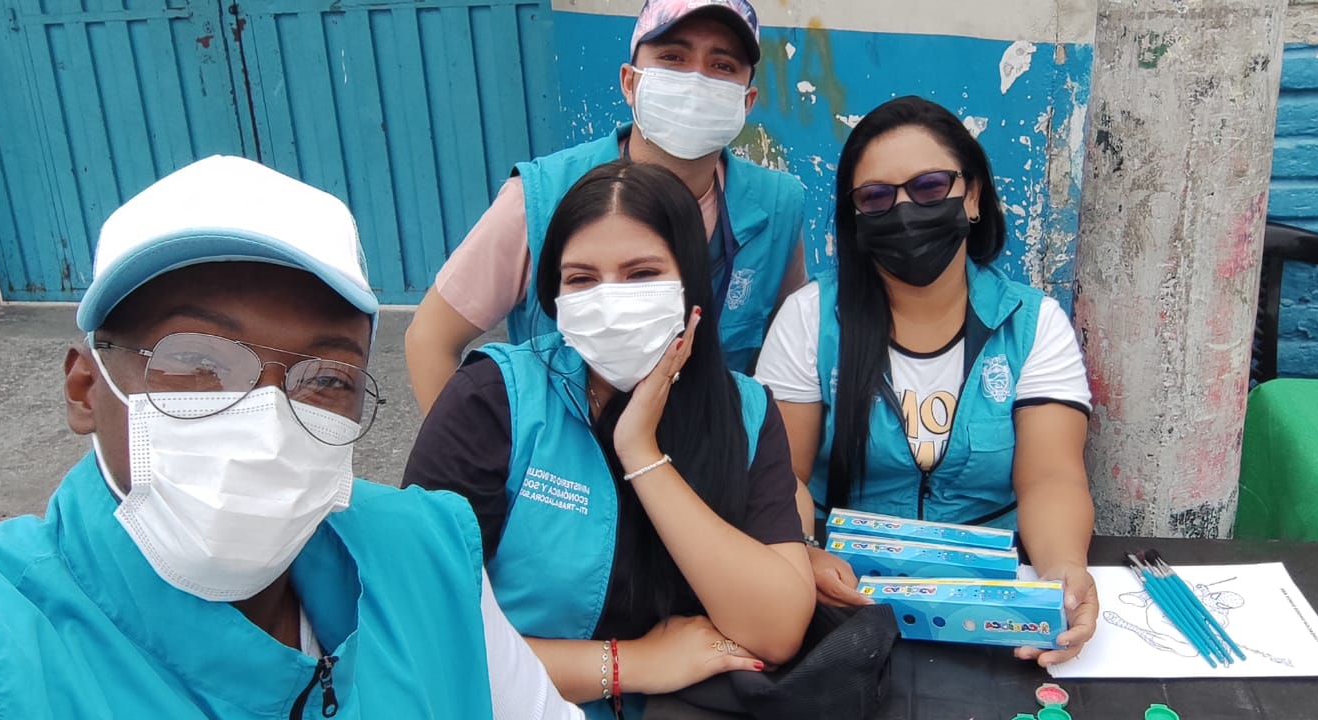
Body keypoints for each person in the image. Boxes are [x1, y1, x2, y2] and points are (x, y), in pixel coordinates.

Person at [0, 156, 583, 719]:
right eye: (197, 361)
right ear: (86, 388)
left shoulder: (426, 556)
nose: (266, 420)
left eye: (324, 377)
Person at [403, 160, 816, 719]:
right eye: (581, 280)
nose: (611, 300)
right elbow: (423, 636)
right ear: (555, 297)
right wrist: (628, 664)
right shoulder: (493, 400)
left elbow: (776, 629)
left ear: (691, 285)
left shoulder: (746, 412)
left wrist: (642, 454)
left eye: (642, 274)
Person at [753, 96, 1099, 668]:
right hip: (843, 599)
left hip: (990, 607)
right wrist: (801, 554)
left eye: (930, 187)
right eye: (876, 197)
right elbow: (779, 474)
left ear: (973, 196)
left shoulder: (1032, 325)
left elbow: (1051, 477)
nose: (906, 209)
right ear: (856, 216)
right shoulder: (810, 319)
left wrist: (1062, 569)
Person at [405, 0, 808, 411]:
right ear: (630, 83)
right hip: (564, 445)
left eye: (722, 65)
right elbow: (431, 339)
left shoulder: (778, 208)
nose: (695, 81)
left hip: (707, 447)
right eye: (673, 57)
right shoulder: (542, 195)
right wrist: (476, 448)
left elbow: (790, 361)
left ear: (746, 100)